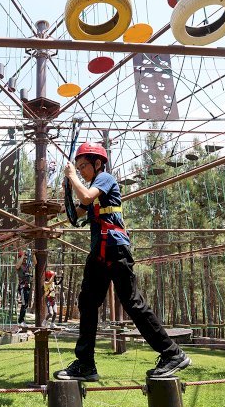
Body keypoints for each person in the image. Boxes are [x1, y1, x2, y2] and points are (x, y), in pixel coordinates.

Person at [54, 142, 190, 382]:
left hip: (115, 248)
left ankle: (172, 353)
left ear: (97, 164)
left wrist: (73, 178)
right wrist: (68, 187)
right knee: (87, 302)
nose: (82, 170)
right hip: (100, 251)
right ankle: (85, 363)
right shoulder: (93, 187)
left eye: (84, 166)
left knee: (132, 302)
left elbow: (85, 195)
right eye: (78, 167)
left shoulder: (105, 178)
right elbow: (76, 215)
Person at [15, 249, 35, 327]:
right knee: (24, 304)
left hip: (27, 287)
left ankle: (22, 320)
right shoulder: (19, 266)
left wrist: (33, 255)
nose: (25, 260)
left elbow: (35, 263)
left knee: (26, 304)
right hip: (22, 287)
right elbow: (17, 265)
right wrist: (23, 255)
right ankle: (21, 321)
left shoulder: (27, 265)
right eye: (24, 258)